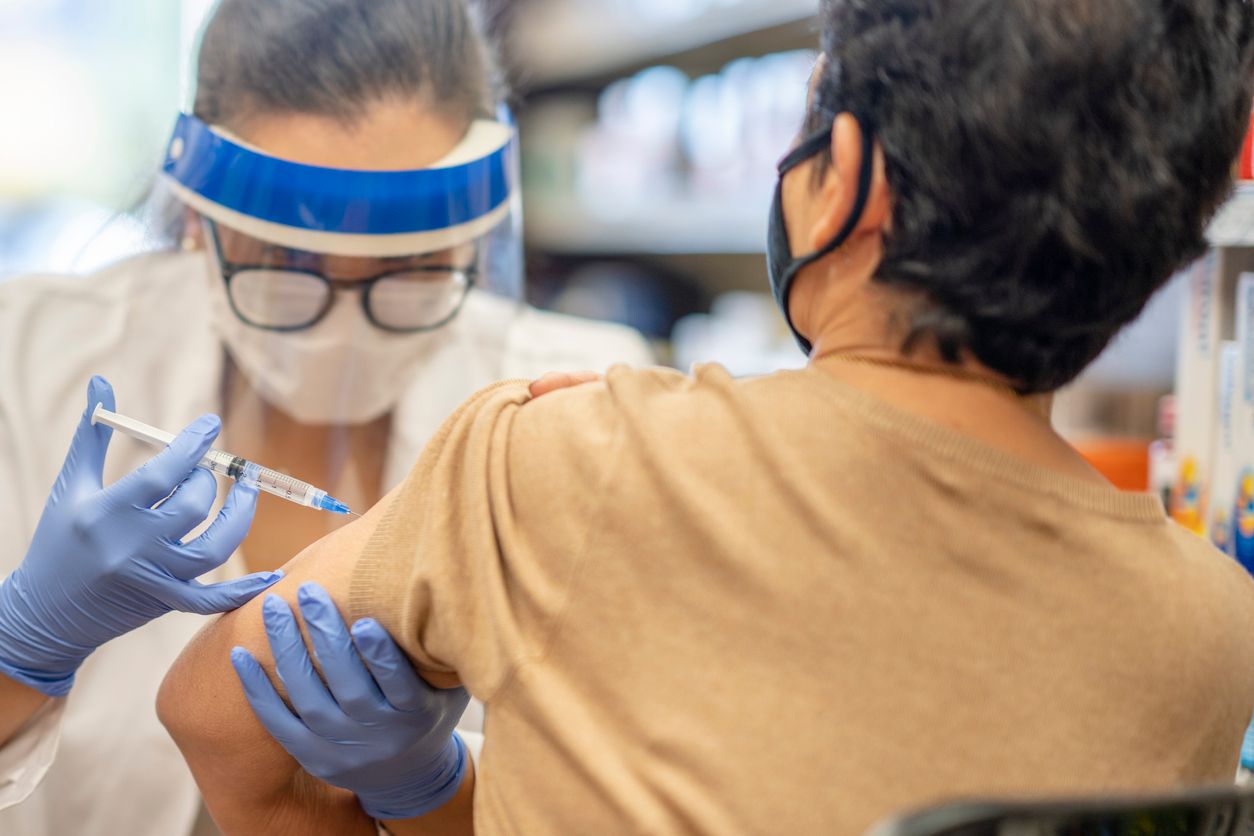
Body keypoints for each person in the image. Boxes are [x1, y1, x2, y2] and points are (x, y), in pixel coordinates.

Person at [159, 0, 1254, 833]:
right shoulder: (1216, 629)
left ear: (850, 180)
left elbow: (215, 710)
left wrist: (423, 793)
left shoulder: (567, 451)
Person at [0, 1, 652, 833]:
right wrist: (19, 652)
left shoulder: (582, 403)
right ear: (200, 222)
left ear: (474, 240)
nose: (344, 325)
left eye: (412, 270)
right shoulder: (25, 357)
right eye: (286, 267)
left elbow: (628, 802)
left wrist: (438, 789)